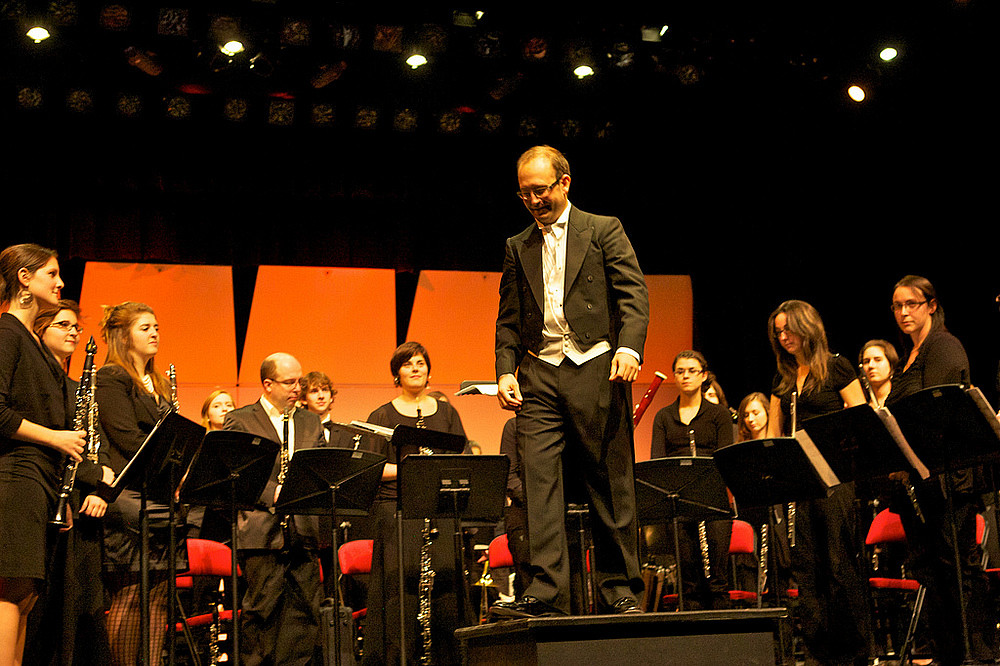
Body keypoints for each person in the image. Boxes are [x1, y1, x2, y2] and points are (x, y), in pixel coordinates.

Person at [493, 145, 649, 618]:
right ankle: (544, 592)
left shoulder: (603, 229)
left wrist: (628, 347)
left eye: (540, 190)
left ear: (564, 183)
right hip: (540, 372)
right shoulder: (518, 245)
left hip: (595, 368)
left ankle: (620, 587)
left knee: (608, 481)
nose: (534, 201)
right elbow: (508, 318)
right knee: (539, 486)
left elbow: (633, 292)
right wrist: (504, 370)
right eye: (524, 194)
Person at [885, 275, 997, 665]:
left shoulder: (944, 346)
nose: (903, 313)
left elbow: (934, 413)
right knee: (932, 572)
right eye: (897, 306)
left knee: (957, 568)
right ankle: (948, 654)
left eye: (911, 304)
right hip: (920, 481)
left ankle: (978, 655)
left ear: (931, 305)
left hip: (951, 478)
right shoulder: (910, 354)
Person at [766, 299, 873, 666]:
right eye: (777, 332)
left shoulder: (838, 368)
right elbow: (771, 435)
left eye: (788, 329)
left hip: (834, 481)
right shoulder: (782, 380)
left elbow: (861, 423)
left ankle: (856, 651)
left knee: (839, 564)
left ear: (807, 327)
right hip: (799, 486)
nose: (783, 337)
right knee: (806, 570)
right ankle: (818, 653)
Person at [0, 244, 85, 666]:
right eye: (51, 273)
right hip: (14, 480)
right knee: (10, 590)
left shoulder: (32, 344)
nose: (60, 281)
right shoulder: (6, 333)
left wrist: (60, 494)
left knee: (27, 596)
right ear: (24, 279)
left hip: (39, 484)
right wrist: (56, 439)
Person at [361, 341, 471, 666]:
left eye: (420, 363)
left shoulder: (447, 412)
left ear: (429, 370)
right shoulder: (381, 415)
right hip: (398, 511)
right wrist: (415, 469)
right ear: (397, 374)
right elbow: (372, 467)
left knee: (446, 592)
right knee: (401, 593)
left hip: (440, 510)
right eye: (408, 364)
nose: (415, 368)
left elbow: (460, 458)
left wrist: (434, 470)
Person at [223, 352, 326, 666]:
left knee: (305, 616)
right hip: (261, 532)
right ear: (267, 384)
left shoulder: (309, 419)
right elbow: (234, 473)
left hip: (303, 532)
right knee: (262, 613)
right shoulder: (240, 419)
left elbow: (318, 467)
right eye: (289, 382)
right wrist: (275, 493)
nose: (297, 388)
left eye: (300, 381)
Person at [26, 300, 114, 666]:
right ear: (40, 330)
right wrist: (95, 476)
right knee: (43, 608)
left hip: (84, 507)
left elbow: (100, 445)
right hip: (49, 500)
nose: (74, 332)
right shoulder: (35, 385)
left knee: (84, 608)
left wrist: (101, 486)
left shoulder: (81, 387)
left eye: (75, 326)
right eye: (63, 325)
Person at [95, 301, 183, 666]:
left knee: (159, 594)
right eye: (145, 327)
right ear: (123, 334)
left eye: (157, 327)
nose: (154, 333)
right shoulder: (112, 377)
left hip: (157, 492)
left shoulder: (159, 383)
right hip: (127, 491)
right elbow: (127, 437)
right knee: (131, 593)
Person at [648, 350, 734, 609]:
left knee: (717, 576)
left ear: (703, 375)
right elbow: (658, 462)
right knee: (688, 577)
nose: (685, 376)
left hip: (713, 500)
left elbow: (726, 457)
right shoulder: (664, 416)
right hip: (679, 502)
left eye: (692, 371)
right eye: (680, 371)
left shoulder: (718, 415)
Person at [859, 339, 897, 408]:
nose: (871, 365)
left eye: (878, 360)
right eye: (866, 361)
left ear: (891, 364)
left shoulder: (901, 398)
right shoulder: (861, 405)